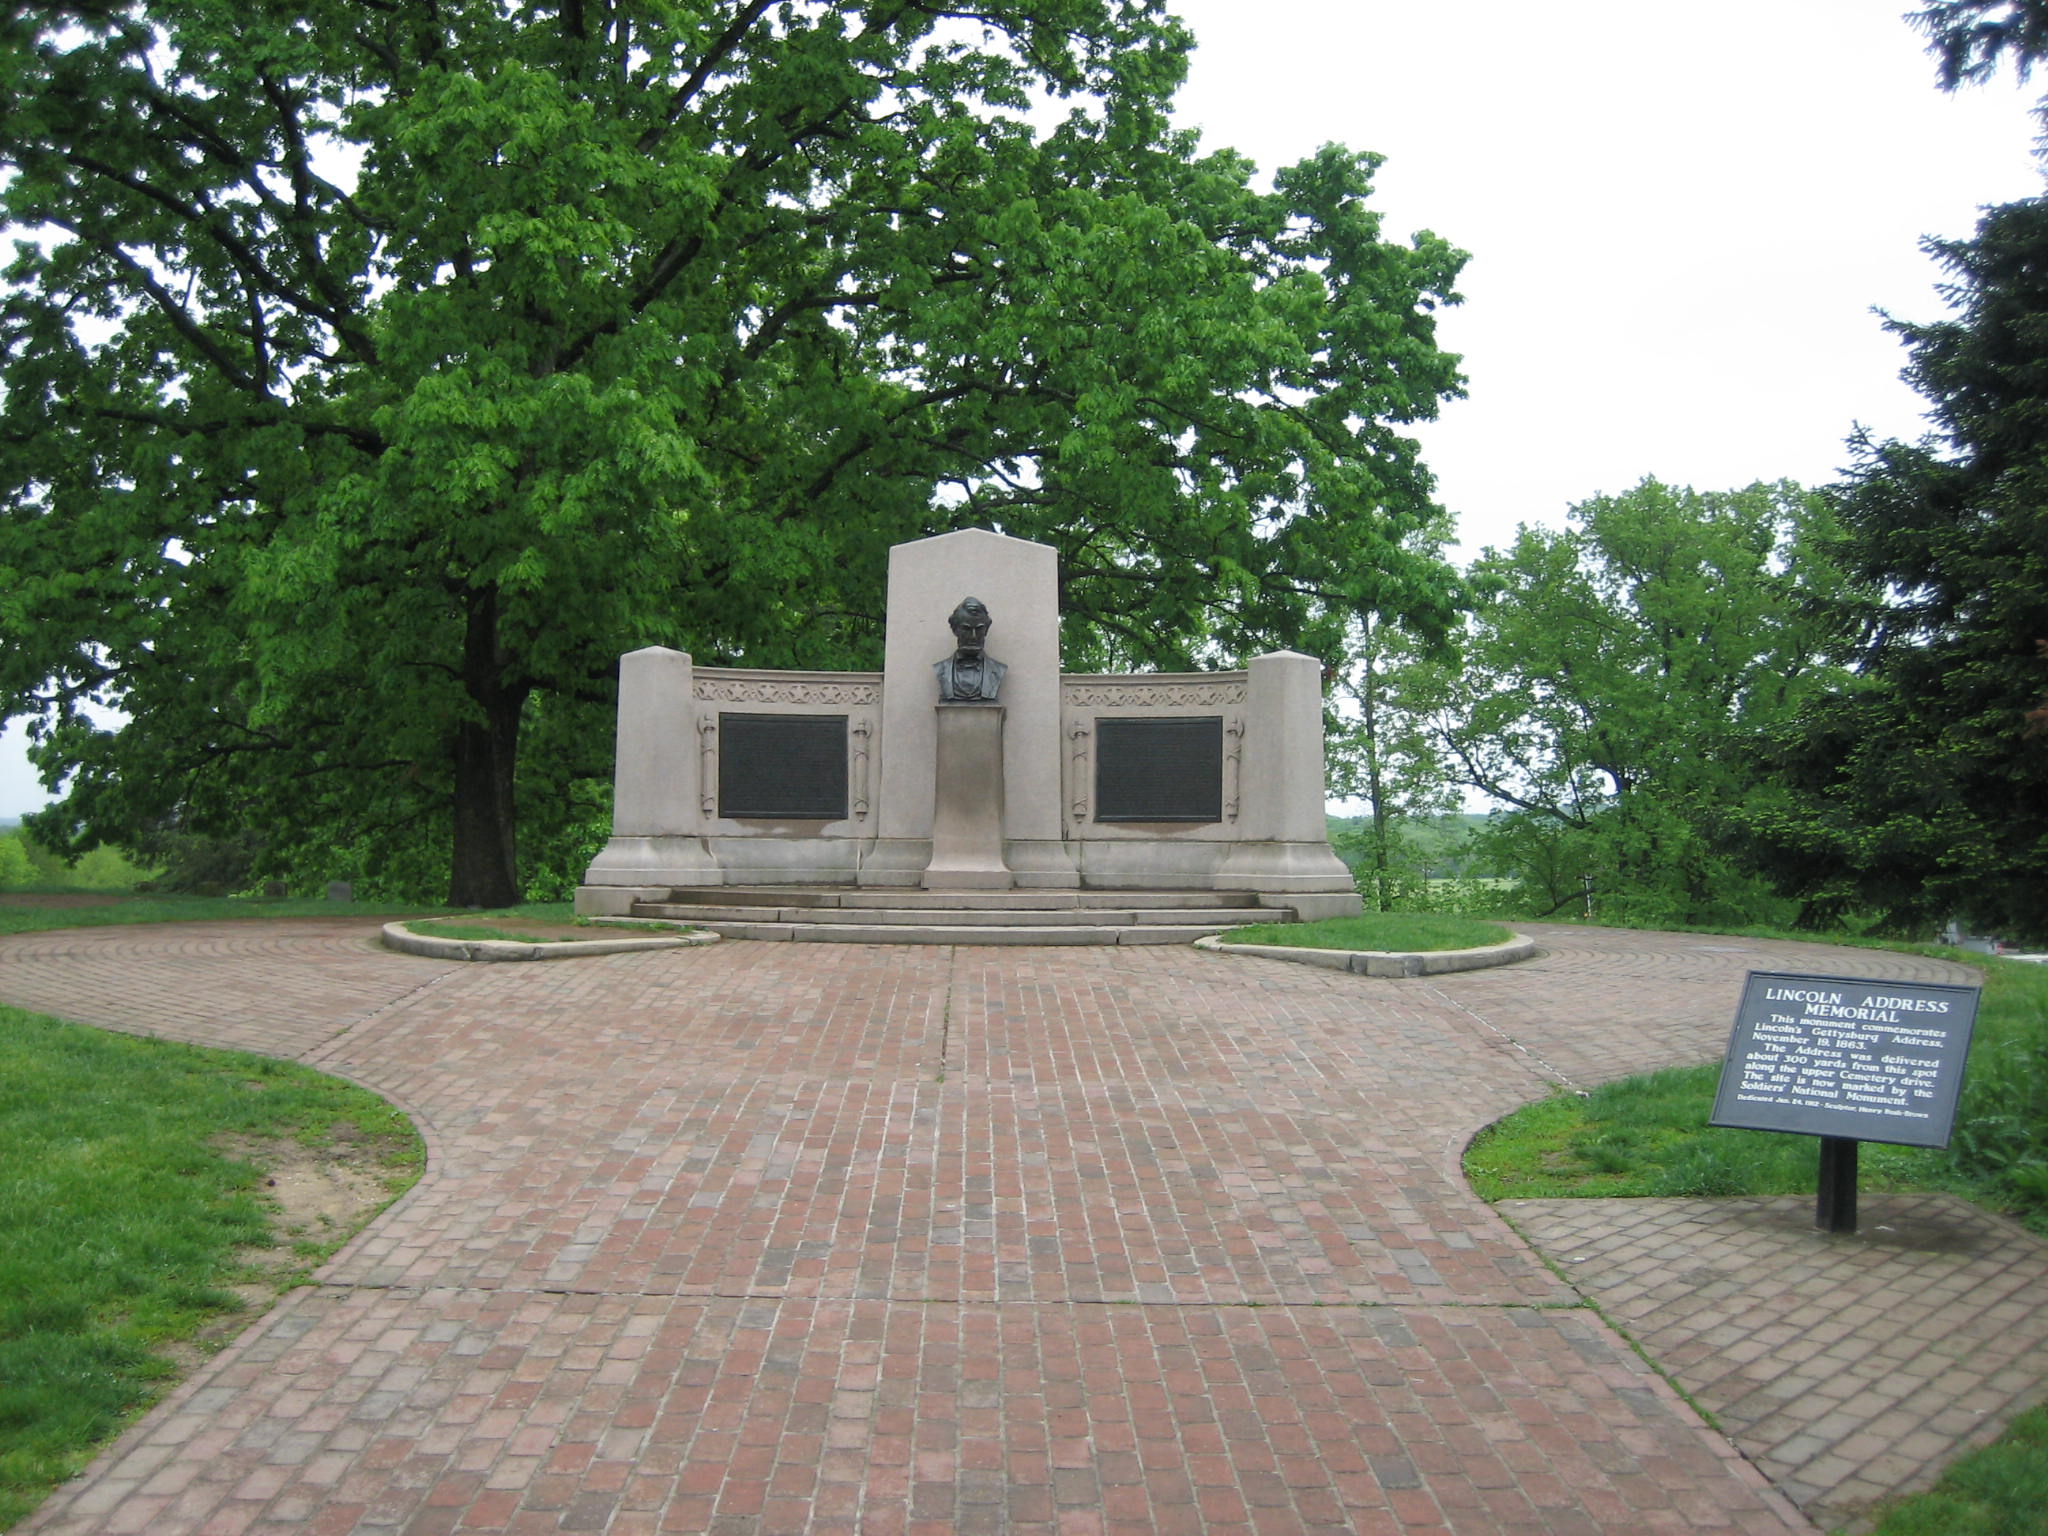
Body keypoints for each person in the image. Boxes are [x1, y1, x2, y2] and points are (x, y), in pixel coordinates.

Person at [934, 596, 1006, 702]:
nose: (973, 636)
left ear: (986, 630)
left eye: (979, 629)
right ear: (955, 630)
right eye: (966, 629)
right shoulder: (941, 669)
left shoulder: (998, 670)